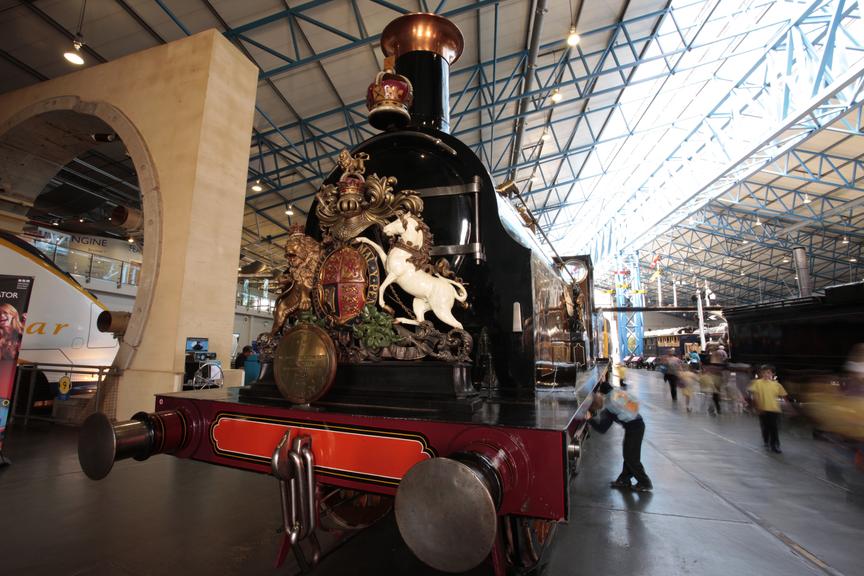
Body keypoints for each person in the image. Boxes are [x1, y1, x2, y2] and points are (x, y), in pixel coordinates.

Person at [587, 381, 653, 492]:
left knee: (632, 458)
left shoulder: (609, 406)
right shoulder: (616, 392)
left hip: (635, 428)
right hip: (636, 425)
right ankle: (624, 480)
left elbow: (602, 428)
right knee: (628, 455)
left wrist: (589, 419)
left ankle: (645, 483)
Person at [748, 365, 787, 453]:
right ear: (761, 373)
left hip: (774, 409)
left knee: (774, 428)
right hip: (763, 409)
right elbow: (754, 396)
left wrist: (790, 408)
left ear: (773, 374)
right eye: (764, 372)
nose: (766, 374)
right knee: (765, 427)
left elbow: (784, 396)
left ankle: (775, 445)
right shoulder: (757, 383)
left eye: (768, 372)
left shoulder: (777, 385)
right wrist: (757, 407)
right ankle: (766, 440)